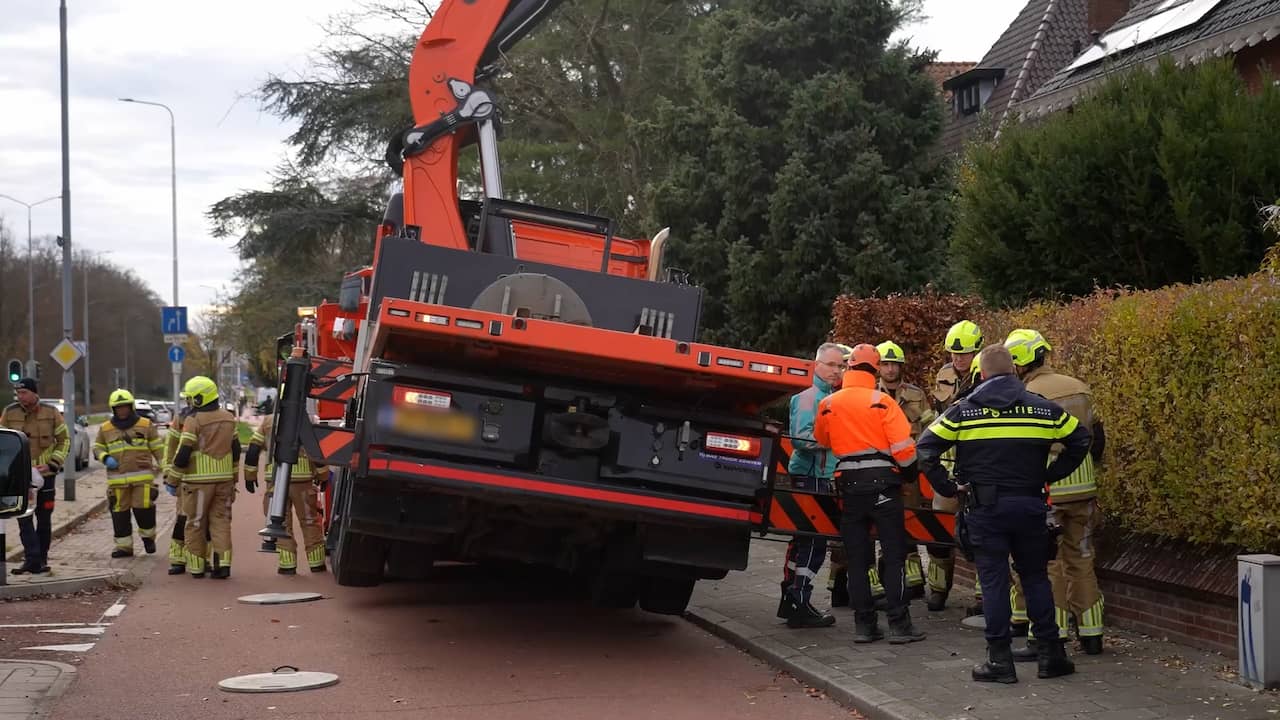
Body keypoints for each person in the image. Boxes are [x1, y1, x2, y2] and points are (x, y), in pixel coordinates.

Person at [917, 344, 1091, 683]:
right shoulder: (1044, 410)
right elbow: (1081, 439)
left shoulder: (962, 411)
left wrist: (950, 487)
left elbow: (926, 448)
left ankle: (999, 661)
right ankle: (1050, 655)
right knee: (1036, 578)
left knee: (994, 582)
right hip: (1030, 506)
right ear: (1014, 371)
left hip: (985, 509)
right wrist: (1051, 475)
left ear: (982, 375)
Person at [1005, 329, 1107, 657]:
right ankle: (1092, 635)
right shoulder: (1080, 387)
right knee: (1082, 557)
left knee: (1048, 564)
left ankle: (1054, 634)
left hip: (1048, 489)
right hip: (1084, 487)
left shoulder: (1026, 395)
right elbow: (1097, 439)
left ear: (1018, 362)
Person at [815, 344, 925, 645]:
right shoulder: (883, 402)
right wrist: (910, 474)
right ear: (875, 369)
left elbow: (821, 438)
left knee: (858, 559)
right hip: (884, 487)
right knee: (893, 556)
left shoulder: (828, 403)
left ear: (849, 368)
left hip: (849, 487)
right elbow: (904, 451)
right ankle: (899, 626)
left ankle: (865, 626)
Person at [777, 342, 845, 628]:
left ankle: (792, 600)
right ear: (816, 364)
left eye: (840, 366)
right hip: (811, 478)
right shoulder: (810, 398)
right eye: (831, 365)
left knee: (804, 541)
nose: (836, 371)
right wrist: (838, 441)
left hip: (817, 476)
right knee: (813, 544)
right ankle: (799, 601)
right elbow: (802, 439)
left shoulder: (828, 396)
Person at [927, 320, 984, 612]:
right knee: (939, 531)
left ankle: (981, 597)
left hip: (975, 463)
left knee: (977, 533)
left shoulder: (988, 374)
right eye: (953, 353)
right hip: (948, 465)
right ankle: (938, 589)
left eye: (964, 354)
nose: (957, 359)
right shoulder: (944, 374)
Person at [169, 376, 240, 579]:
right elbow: (235, 450)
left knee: (195, 523)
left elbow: (183, 453)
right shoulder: (229, 418)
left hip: (197, 482)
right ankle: (222, 565)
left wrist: (172, 480)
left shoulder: (193, 421)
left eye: (191, 399)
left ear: (199, 399)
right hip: (224, 481)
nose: (189, 403)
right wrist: (234, 477)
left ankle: (197, 568)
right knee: (221, 522)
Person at [243, 413, 329, 575]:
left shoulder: (268, 421)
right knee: (310, 521)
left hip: (275, 481)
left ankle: (287, 565)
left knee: (281, 524)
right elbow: (315, 449)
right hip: (302, 480)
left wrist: (249, 475)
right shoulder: (305, 419)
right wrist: (323, 475)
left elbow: (253, 449)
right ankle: (316, 563)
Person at [2, 378, 69, 575]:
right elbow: (3, 440)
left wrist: (52, 464)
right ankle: (32, 560)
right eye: (18, 393)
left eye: (24, 393)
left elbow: (64, 441)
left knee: (44, 518)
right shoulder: (10, 412)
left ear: (33, 393)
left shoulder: (51, 413)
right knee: (23, 516)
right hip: (19, 476)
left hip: (46, 475)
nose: (20, 397)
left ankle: (42, 558)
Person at [93, 389, 165, 558]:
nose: (122, 410)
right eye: (118, 408)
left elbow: (159, 449)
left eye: (125, 407)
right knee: (120, 514)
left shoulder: (146, 425)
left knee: (144, 509)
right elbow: (97, 448)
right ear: (113, 409)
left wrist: (166, 469)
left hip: (142, 478)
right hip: (117, 481)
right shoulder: (105, 429)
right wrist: (105, 457)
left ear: (131, 406)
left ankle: (148, 539)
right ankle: (124, 547)